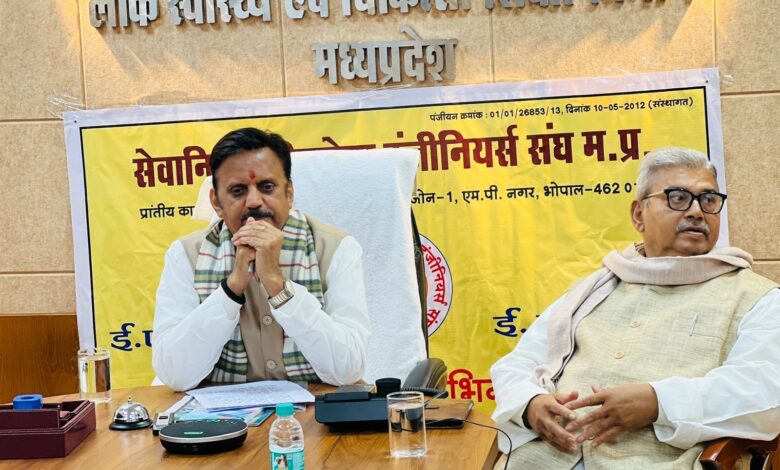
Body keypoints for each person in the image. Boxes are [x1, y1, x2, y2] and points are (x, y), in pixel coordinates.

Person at [491, 147, 780, 469]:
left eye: (709, 200)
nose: (697, 211)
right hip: (541, 460)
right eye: (678, 197)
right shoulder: (595, 287)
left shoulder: (757, 297)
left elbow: (765, 390)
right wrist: (530, 404)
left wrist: (659, 402)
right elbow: (517, 363)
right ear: (639, 214)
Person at [152, 127, 370, 391]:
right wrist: (231, 289)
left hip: (317, 412)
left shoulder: (336, 248)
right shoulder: (187, 255)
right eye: (238, 191)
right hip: (220, 414)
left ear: (289, 194)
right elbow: (174, 374)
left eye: (267, 187)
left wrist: (277, 284)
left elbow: (348, 369)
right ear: (216, 202)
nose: (254, 202)